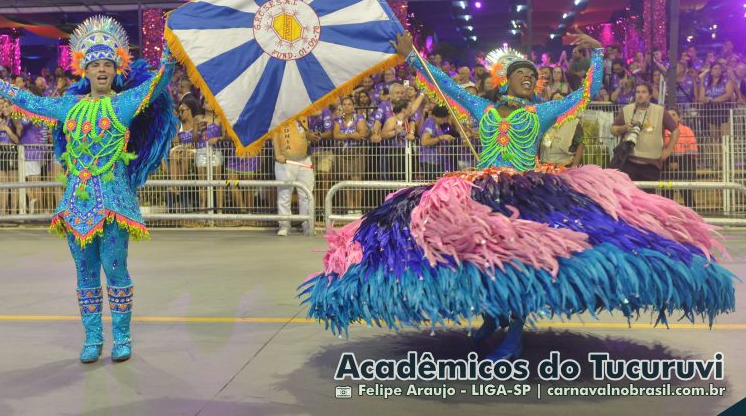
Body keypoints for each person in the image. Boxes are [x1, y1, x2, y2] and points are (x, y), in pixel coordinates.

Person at [300, 30, 734, 362]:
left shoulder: (542, 111)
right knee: (477, 255)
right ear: (507, 79)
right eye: (524, 75)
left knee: (521, 259)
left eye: (536, 76)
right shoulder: (483, 109)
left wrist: (595, 55)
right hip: (479, 188)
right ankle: (493, 313)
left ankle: (513, 332)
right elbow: (445, 86)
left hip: (527, 191)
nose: (532, 80)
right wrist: (412, 54)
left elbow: (589, 92)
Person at [0, 16, 178, 364]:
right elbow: (31, 103)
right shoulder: (68, 107)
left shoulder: (124, 104)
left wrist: (170, 53)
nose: (100, 70)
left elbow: (157, 84)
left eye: (107, 65)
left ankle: (122, 337)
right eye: (94, 64)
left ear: (116, 70)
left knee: (115, 269)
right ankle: (93, 338)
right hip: (77, 206)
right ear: (84, 69)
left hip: (114, 202)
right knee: (84, 274)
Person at [611, 82, 678, 188]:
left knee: (649, 199)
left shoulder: (660, 111)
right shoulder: (627, 109)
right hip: (629, 162)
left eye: (644, 92)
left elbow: (675, 130)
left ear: (650, 95)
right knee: (629, 198)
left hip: (651, 164)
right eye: (637, 92)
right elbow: (613, 129)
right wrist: (623, 128)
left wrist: (668, 150)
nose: (640, 95)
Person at [272, 118, 314, 237]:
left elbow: (318, 111)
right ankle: (284, 225)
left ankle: (307, 225)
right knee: (284, 195)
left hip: (304, 158)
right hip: (285, 160)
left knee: (306, 195)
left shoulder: (303, 114)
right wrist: (277, 153)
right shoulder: (280, 114)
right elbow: (274, 132)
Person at [662, 108, 698, 210]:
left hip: (685, 165)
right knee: (666, 194)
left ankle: (693, 216)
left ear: (679, 118)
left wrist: (679, 164)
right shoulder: (661, 131)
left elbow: (693, 152)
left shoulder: (687, 130)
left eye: (673, 115)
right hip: (666, 166)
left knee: (687, 194)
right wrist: (669, 164)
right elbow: (660, 151)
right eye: (668, 115)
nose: (671, 117)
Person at [538, 93, 584, 167]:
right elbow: (542, 143)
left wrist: (575, 165)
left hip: (565, 168)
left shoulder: (574, 123)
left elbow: (581, 144)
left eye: (560, 102)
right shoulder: (546, 121)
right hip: (544, 168)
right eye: (555, 103)